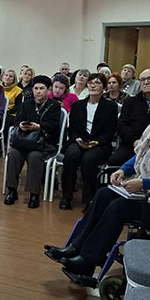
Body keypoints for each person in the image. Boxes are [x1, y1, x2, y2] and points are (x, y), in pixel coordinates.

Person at [45, 79, 150, 282]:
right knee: (104, 193)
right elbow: (140, 156)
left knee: (119, 207)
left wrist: (144, 183)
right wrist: (123, 170)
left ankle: (87, 259)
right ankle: (76, 247)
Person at [60, 73, 118, 211]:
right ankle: (66, 196)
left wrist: (97, 142)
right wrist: (77, 139)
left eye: (97, 83)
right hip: (79, 140)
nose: (93, 85)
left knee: (89, 159)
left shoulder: (110, 106)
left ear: (104, 87)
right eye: (91, 82)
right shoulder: (77, 105)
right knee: (71, 155)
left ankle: (89, 200)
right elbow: (72, 128)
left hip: (100, 143)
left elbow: (110, 131)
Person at [4, 75, 62, 209]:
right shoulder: (26, 104)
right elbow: (17, 120)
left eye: (42, 88)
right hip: (23, 141)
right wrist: (21, 125)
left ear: (48, 90)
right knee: (13, 154)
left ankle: (34, 193)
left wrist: (39, 127)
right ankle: (11, 190)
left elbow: (53, 126)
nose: (38, 91)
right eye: (36, 88)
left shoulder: (54, 106)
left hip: (43, 143)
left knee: (34, 157)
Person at [107, 69, 150, 166]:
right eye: (142, 79)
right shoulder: (130, 101)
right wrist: (134, 141)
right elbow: (122, 125)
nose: (146, 82)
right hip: (132, 144)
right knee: (114, 161)